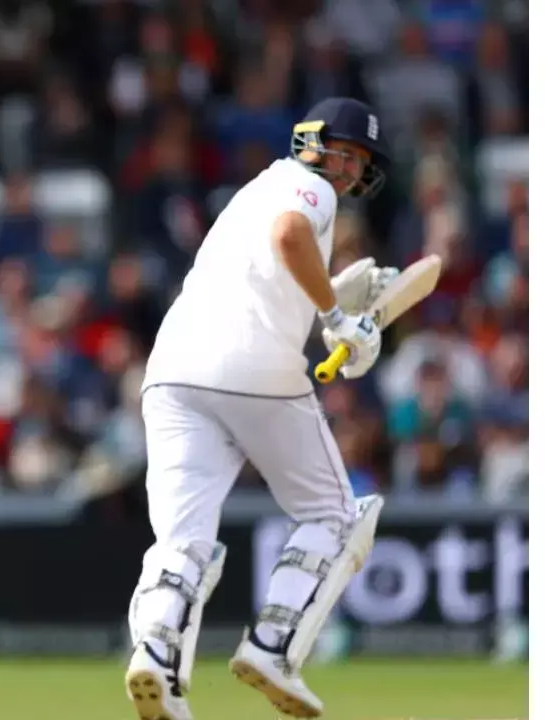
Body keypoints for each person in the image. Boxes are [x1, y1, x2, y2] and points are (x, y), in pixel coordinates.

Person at [123, 97, 395, 720]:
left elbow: (266, 280)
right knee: (337, 515)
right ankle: (274, 644)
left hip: (171, 374)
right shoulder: (311, 190)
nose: (350, 171)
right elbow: (290, 235)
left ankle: (156, 656)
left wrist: (336, 308)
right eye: (345, 154)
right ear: (314, 144)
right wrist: (336, 318)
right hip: (256, 374)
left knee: (181, 540)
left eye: (359, 162)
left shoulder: (253, 191)